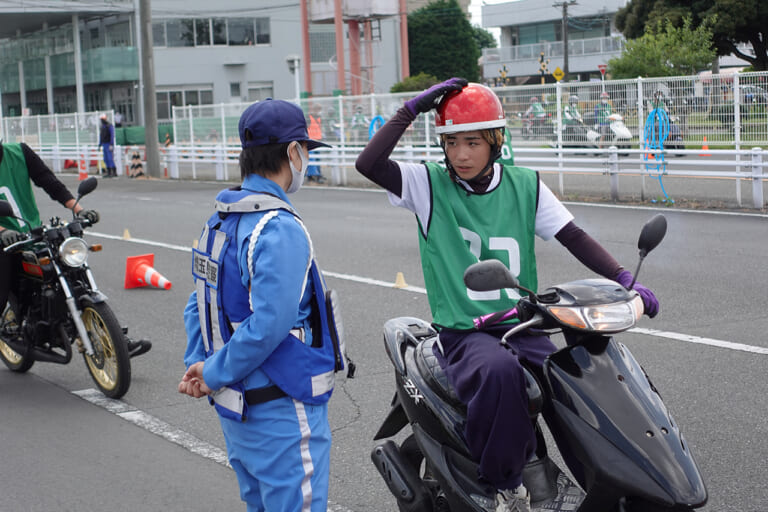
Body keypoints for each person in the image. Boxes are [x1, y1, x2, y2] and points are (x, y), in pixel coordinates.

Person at [354, 79, 659, 512]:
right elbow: (368, 163)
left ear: (496, 141)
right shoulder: (427, 184)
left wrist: (625, 279)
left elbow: (573, 236)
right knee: (499, 372)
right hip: (466, 333)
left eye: (473, 142)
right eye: (452, 142)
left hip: (524, 324)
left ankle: (610, 486)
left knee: (579, 377)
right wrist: (411, 110)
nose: (461, 154)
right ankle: (507, 484)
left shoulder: (525, 185)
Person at [178, 99, 340, 512]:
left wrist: (201, 366)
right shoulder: (278, 227)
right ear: (293, 152)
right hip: (282, 405)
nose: (306, 160)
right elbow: (271, 323)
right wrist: (212, 372)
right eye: (305, 150)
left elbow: (200, 303)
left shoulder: (219, 220)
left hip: (238, 406)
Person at [0, 141, 151, 358]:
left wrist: (80, 211)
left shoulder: (19, 153)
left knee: (73, 274)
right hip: (4, 239)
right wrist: (3, 231)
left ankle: (113, 338)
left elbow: (49, 182)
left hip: (30, 233)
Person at [306, 106, 326, 183]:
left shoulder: (319, 118)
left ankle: (318, 174)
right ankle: (312, 176)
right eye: (318, 110)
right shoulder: (309, 118)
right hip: (311, 140)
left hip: (318, 140)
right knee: (312, 159)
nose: (319, 112)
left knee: (318, 159)